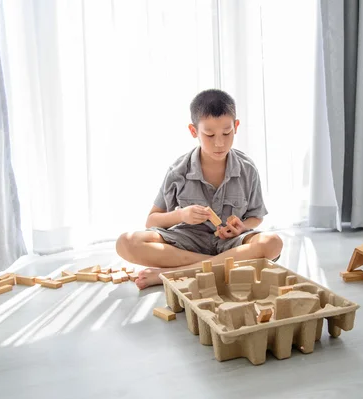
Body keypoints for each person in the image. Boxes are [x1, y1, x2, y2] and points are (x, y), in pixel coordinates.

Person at [116, 89, 283, 289]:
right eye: (210, 134)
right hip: (187, 242)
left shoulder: (247, 169)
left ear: (236, 126)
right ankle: (220, 265)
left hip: (231, 243)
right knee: (125, 243)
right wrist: (182, 215)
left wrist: (242, 227)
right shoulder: (178, 171)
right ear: (194, 131)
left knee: (273, 243)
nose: (220, 143)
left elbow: (256, 217)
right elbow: (152, 221)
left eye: (227, 132)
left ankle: (176, 273)